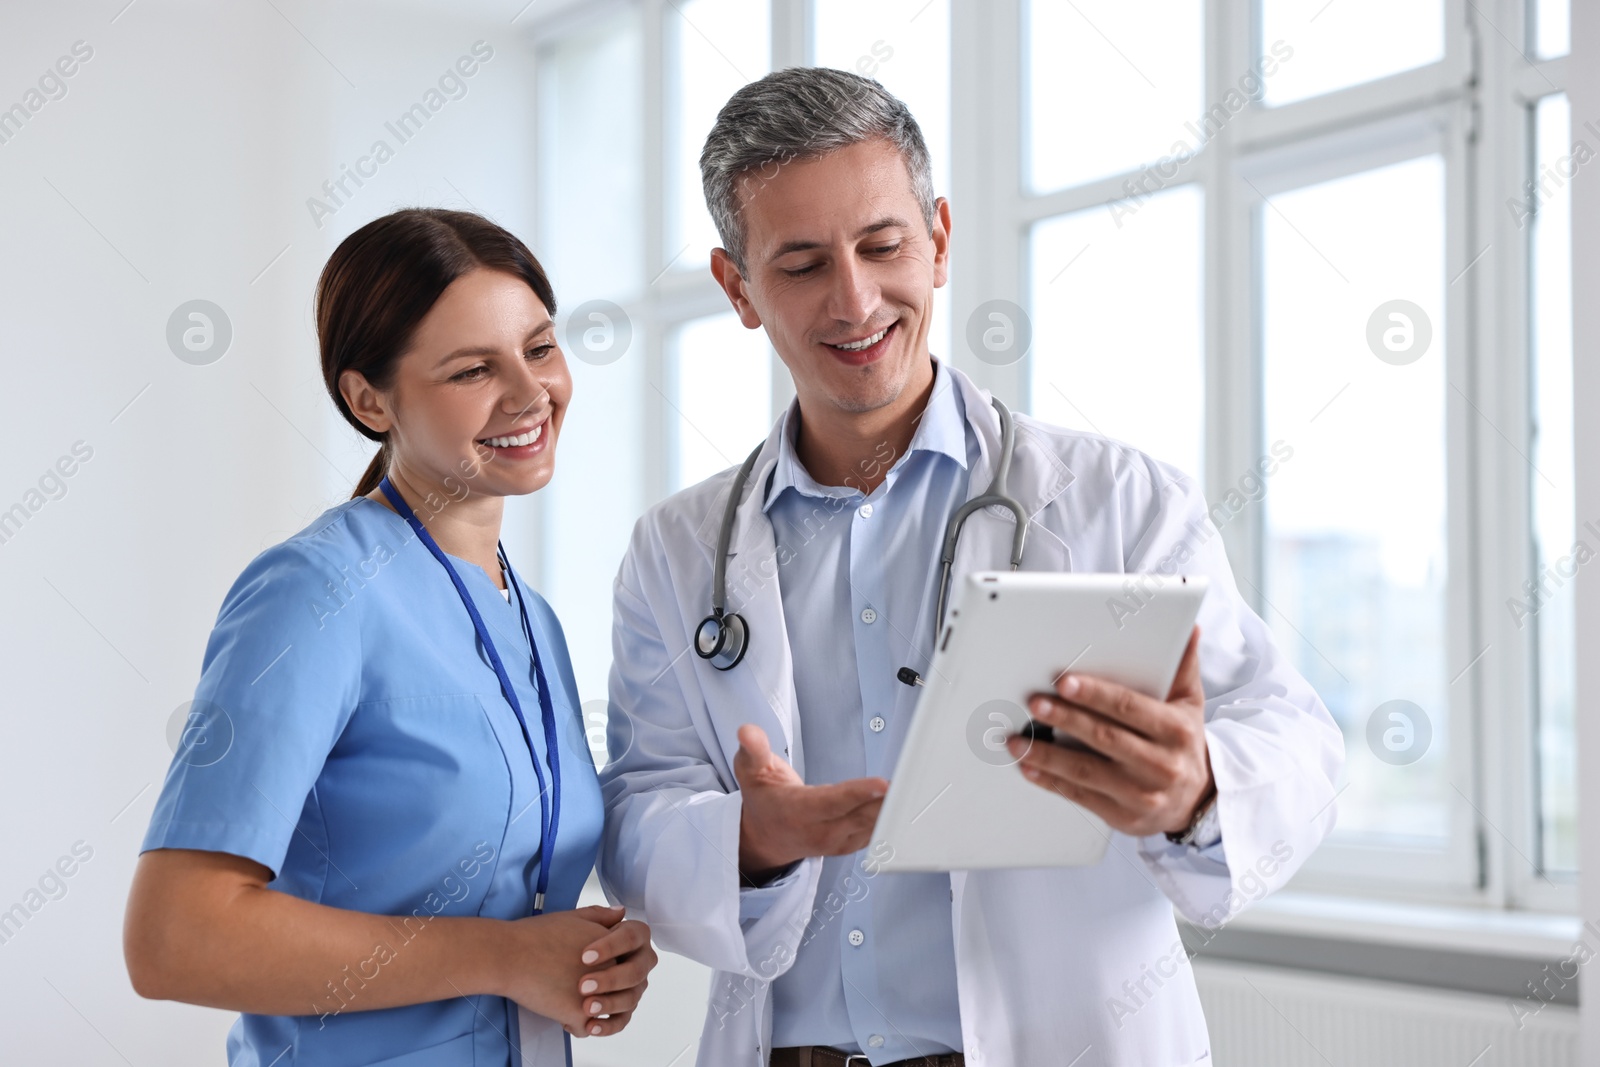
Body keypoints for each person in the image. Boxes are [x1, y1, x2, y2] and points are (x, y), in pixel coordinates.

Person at [597, 69, 1343, 1066]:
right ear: (737, 287)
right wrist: (749, 838)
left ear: (939, 239)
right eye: (803, 263)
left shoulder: (1115, 501)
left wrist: (1195, 790)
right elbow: (637, 811)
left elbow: (1291, 734)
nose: (854, 298)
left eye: (882, 244)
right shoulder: (676, 549)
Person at [124, 208, 656, 1067]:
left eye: (541, 348)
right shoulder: (315, 592)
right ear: (369, 398)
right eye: (473, 369)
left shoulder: (532, 616)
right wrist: (507, 958)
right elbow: (175, 935)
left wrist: (587, 962)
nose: (528, 393)